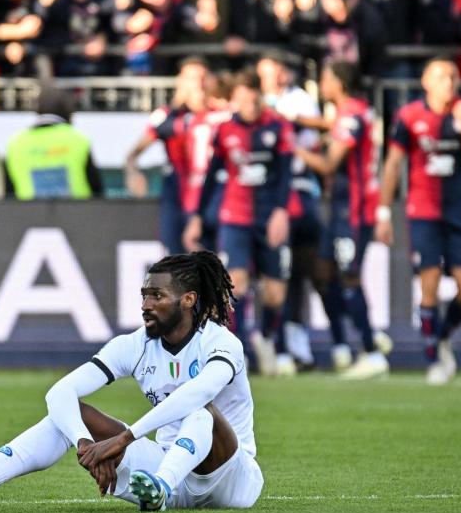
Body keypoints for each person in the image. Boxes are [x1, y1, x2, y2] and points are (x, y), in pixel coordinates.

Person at [0, 251, 263, 512]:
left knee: (201, 411)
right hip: (166, 466)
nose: (146, 304)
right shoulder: (134, 345)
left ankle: (161, 490)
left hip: (231, 478)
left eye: (157, 296)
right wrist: (86, 445)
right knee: (68, 413)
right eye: (144, 295)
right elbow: (60, 391)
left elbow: (195, 393)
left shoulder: (220, 342)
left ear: (188, 300)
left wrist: (121, 441)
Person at [375, 57, 461, 386]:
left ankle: (441, 335)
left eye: (452, 76)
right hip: (423, 211)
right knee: (429, 282)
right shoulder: (409, 116)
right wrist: (383, 213)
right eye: (441, 77)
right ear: (426, 82)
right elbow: (393, 164)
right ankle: (434, 360)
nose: (449, 82)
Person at [187, 70, 294, 377]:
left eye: (255, 96)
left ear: (261, 96)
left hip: (268, 215)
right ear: (235, 100)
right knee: (235, 285)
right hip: (235, 216)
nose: (250, 103)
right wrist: (196, 216)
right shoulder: (225, 131)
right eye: (244, 98)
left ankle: (269, 339)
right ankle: (241, 350)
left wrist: (281, 212)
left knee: (275, 294)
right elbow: (211, 176)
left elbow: (286, 173)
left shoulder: (278, 126)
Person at [294, 61, 389, 379]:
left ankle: (371, 351)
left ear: (339, 82)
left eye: (325, 77)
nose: (321, 83)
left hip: (354, 209)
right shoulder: (353, 112)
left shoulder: (349, 115)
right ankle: (353, 341)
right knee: (323, 272)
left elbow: (329, 164)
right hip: (339, 208)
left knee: (349, 277)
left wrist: (297, 149)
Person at [257, 52, 322, 370]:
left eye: (270, 73)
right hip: (261, 195)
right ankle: (275, 344)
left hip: (298, 188)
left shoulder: (299, 100)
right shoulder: (254, 103)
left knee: (298, 270)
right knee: (271, 272)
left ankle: (296, 342)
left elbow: (310, 138)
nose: (267, 80)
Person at [125, 57, 227, 254]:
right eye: (191, 78)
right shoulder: (167, 115)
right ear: (181, 82)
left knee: (210, 258)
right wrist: (133, 172)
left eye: (202, 77)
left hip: (213, 192)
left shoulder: (223, 114)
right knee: (175, 256)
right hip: (178, 192)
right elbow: (133, 154)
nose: (198, 84)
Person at [4, 83, 102, 199]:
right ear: (68, 111)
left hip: (30, 215)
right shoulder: (78, 139)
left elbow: (8, 193)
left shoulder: (16, 144)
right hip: (78, 214)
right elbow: (97, 189)